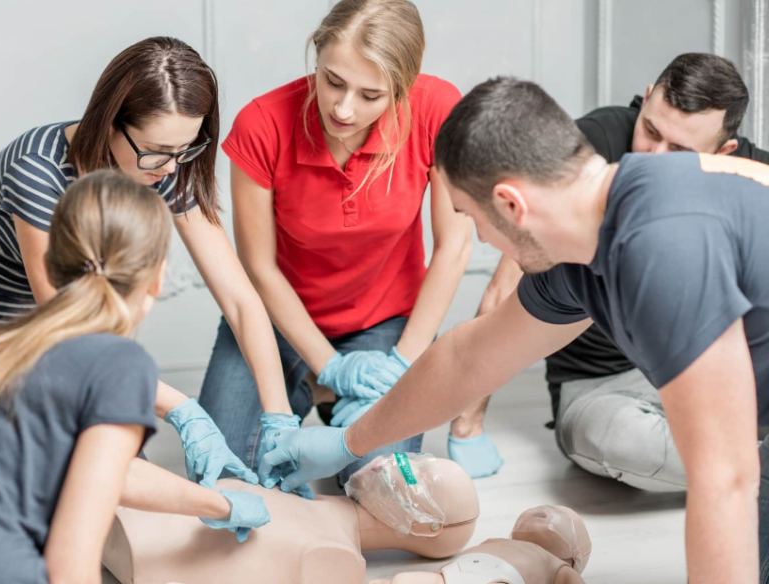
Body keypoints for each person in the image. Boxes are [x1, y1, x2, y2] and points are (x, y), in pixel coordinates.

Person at [262, 77, 769, 583]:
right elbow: (467, 360)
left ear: (510, 205)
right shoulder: (582, 254)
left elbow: (725, 478)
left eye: (470, 216)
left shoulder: (661, 241)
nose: (481, 239)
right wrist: (346, 442)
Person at [0, 36, 277, 488]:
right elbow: (70, 338)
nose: (172, 168)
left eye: (185, 149)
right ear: (110, 122)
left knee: (117, 454)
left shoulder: (160, 163)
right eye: (158, 150)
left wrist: (280, 419)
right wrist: (182, 409)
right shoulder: (37, 171)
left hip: (50, 333)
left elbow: (238, 299)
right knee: (45, 478)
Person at [0, 171, 270, 584]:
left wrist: (219, 504)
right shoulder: (119, 366)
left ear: (51, 265)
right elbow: (70, 562)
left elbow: (110, 473)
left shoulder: (2, 343)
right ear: (157, 276)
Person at [451, 52, 769, 483]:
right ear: (647, 97)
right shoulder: (590, 151)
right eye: (651, 130)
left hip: (707, 376)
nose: (653, 156)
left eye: (678, 150)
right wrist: (467, 425)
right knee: (612, 437)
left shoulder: (748, 173)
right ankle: (741, 459)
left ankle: (737, 460)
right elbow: (505, 286)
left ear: (723, 150)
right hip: (604, 384)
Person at [198, 0, 472, 492]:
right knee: (229, 473)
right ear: (317, 56)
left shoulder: (436, 108)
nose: (344, 109)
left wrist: (402, 365)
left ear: (405, 86)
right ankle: (318, 384)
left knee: (377, 482)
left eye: (371, 95)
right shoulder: (262, 124)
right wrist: (330, 364)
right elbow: (259, 268)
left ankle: (325, 394)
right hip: (278, 321)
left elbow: (453, 246)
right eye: (333, 81)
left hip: (385, 327)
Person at [103, 454, 479, 584]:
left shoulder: (336, 557)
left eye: (422, 477)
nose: (402, 461)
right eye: (419, 458)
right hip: (114, 508)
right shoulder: (303, 494)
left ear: (428, 525)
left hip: (125, 546)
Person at [369, 505, 591, 584]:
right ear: (572, 557)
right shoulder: (556, 566)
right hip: (498, 577)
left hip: (454, 571)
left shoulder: (496, 542)